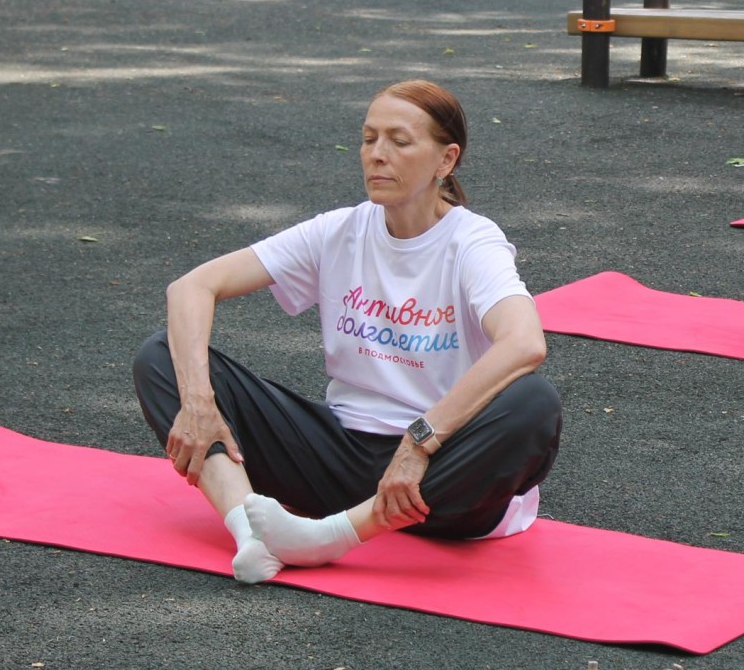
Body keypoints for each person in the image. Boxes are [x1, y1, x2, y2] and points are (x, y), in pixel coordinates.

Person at [133, 79, 563, 584]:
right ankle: (252, 528)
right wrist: (199, 403)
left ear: (446, 160)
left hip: (439, 482)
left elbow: (524, 342)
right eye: (368, 138)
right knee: (163, 358)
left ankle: (326, 537)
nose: (377, 155)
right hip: (338, 461)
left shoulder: (472, 242)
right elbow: (191, 288)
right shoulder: (339, 230)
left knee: (534, 404)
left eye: (399, 142)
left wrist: (417, 444)